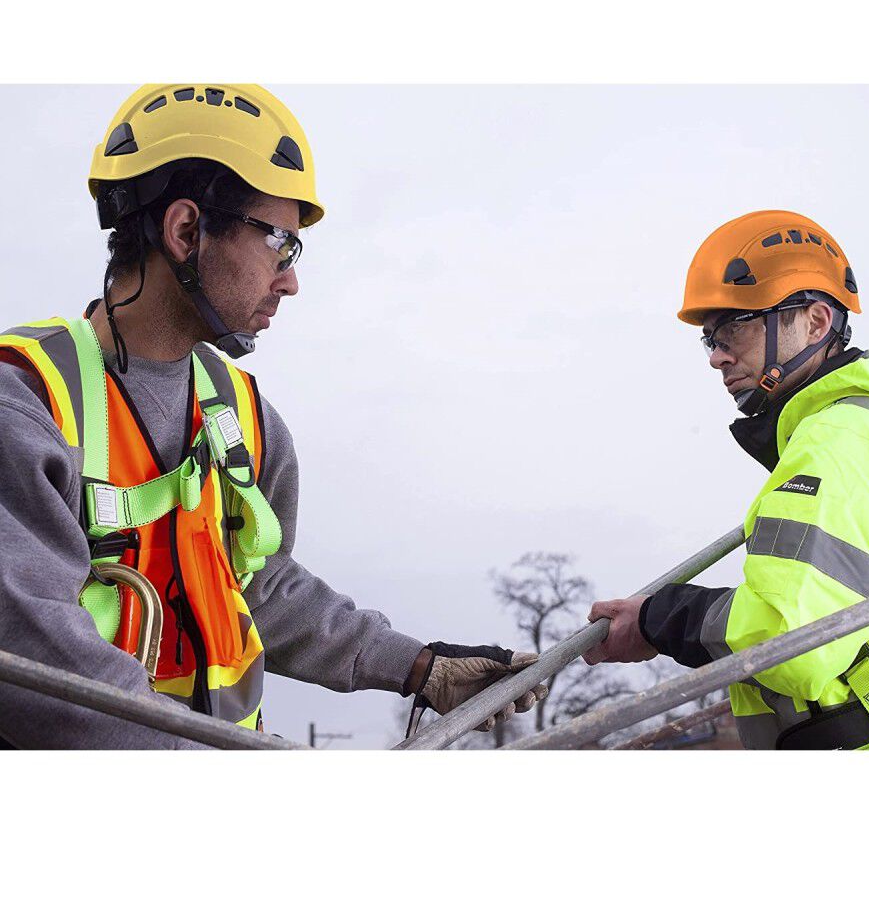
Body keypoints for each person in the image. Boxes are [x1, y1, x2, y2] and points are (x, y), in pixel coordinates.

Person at [0, 83, 545, 749]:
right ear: (186, 231)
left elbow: (258, 584)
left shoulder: (245, 416)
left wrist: (419, 666)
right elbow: (32, 656)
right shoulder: (26, 400)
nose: (289, 279)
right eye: (279, 241)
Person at [582, 209, 869, 750]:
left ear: (817, 323)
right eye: (709, 339)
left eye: (735, 328)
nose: (717, 356)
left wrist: (658, 620)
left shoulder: (843, 441)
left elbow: (794, 641)